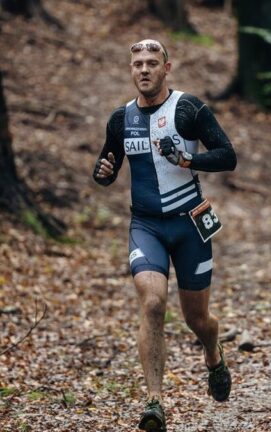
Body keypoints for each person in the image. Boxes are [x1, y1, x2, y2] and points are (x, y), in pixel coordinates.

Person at [93, 39, 236, 432]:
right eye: (137, 63)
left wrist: (190, 160)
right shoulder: (120, 119)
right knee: (153, 302)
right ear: (130, 69)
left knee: (198, 319)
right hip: (147, 227)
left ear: (166, 68)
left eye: (152, 63)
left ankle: (213, 352)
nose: (144, 69)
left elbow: (228, 155)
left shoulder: (188, 109)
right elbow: (107, 164)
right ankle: (154, 402)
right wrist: (102, 174)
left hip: (190, 225)